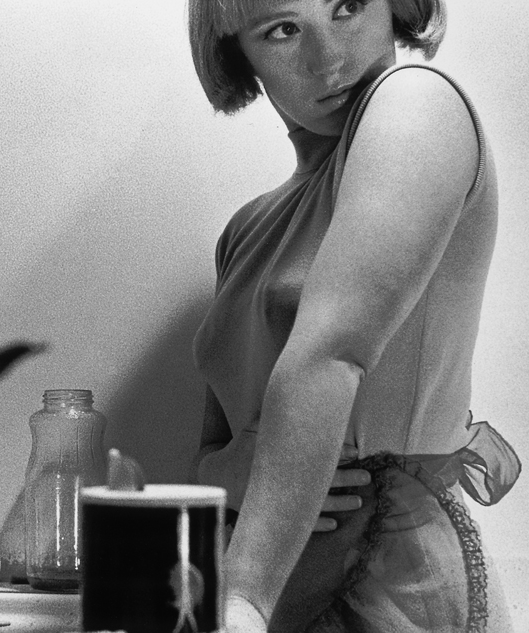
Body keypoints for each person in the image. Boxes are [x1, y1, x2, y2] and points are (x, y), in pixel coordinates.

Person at [188, 0, 522, 631]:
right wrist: (226, 470)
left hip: (384, 584)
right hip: (248, 580)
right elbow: (216, 444)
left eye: (349, 6)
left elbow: (331, 351)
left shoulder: (418, 100)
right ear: (239, 55)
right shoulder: (245, 229)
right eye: (283, 30)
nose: (330, 57)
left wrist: (243, 604)